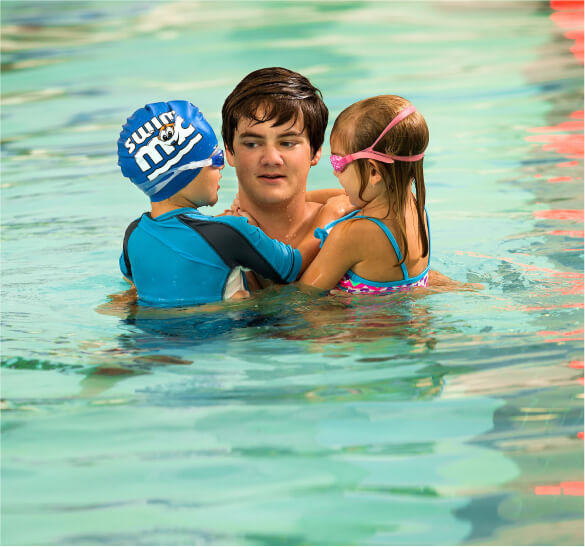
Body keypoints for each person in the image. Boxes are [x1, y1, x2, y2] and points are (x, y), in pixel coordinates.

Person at [116, 99, 311, 307]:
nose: (221, 167)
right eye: (217, 158)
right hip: (230, 327)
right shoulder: (226, 233)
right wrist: (329, 223)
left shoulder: (133, 236)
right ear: (188, 171)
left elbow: (135, 285)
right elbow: (290, 268)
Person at [221, 67, 350, 275]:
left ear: (315, 151)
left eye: (288, 143)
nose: (271, 159)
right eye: (252, 144)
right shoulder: (207, 243)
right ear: (229, 152)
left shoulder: (354, 228)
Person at [300, 95, 431, 294]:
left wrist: (326, 216)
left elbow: (304, 295)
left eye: (338, 162)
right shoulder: (415, 207)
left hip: (354, 315)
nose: (335, 172)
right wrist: (299, 199)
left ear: (374, 172)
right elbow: (345, 196)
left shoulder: (350, 235)